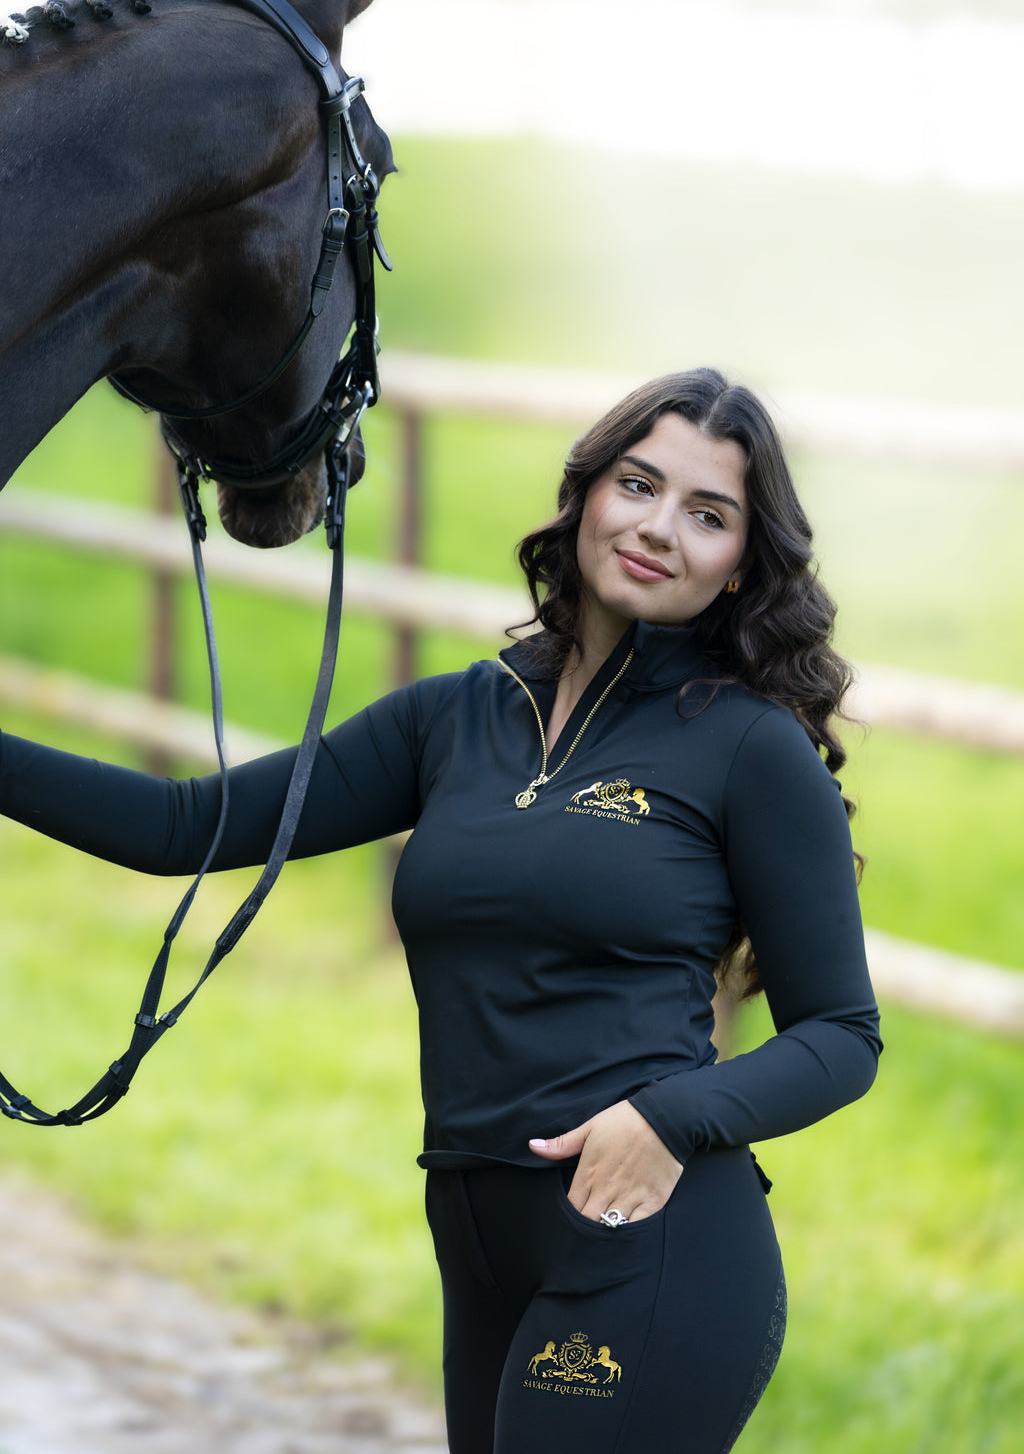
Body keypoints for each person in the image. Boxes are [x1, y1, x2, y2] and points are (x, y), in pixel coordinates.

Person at [0, 368, 881, 1453]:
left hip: (645, 1238)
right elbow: (185, 827)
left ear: (742, 563)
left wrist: (669, 1118)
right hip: (475, 1237)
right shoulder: (457, 716)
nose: (659, 528)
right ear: (585, 495)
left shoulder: (749, 748)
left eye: (707, 515)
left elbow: (843, 1036)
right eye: (637, 485)